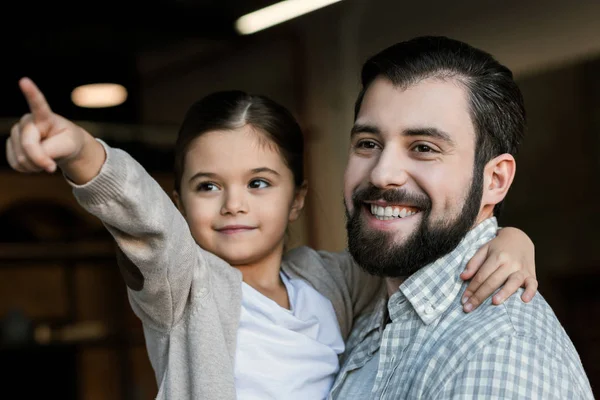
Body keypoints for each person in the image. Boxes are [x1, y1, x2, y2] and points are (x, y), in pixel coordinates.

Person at [6, 77, 537, 400]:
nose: (234, 203)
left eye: (259, 183)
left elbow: (420, 254)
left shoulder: (332, 281)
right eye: (207, 186)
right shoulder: (185, 289)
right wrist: (80, 152)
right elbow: (141, 218)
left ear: (297, 198)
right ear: (179, 202)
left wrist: (509, 235)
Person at [329, 35, 594, 399]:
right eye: (368, 144)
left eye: (424, 148)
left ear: (494, 180)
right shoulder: (368, 311)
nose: (381, 174)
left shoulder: (500, 355)